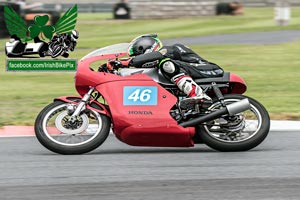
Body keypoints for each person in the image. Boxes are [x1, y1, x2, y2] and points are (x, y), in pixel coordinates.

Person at [107, 34, 224, 108]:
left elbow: (156, 57)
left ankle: (198, 94)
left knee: (166, 64)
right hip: (193, 72)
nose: (138, 58)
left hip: (208, 69)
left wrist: (123, 62)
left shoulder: (169, 49)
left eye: (138, 55)